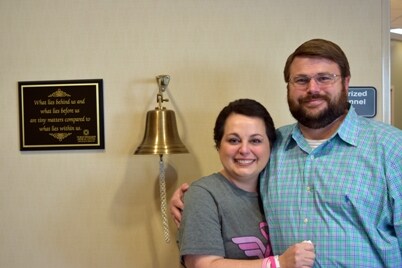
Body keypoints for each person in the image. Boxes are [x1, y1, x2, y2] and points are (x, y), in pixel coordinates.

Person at [171, 39, 402, 267]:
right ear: (289, 87)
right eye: (301, 80)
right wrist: (193, 197)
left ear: (346, 82)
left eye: (324, 78)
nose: (313, 88)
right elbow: (236, 176)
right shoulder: (274, 146)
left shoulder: (391, 148)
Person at [178, 98, 315, 268]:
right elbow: (201, 264)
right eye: (234, 140)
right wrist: (277, 264)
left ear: (270, 146)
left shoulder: (277, 190)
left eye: (255, 140)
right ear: (218, 145)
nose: (244, 150)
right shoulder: (204, 194)